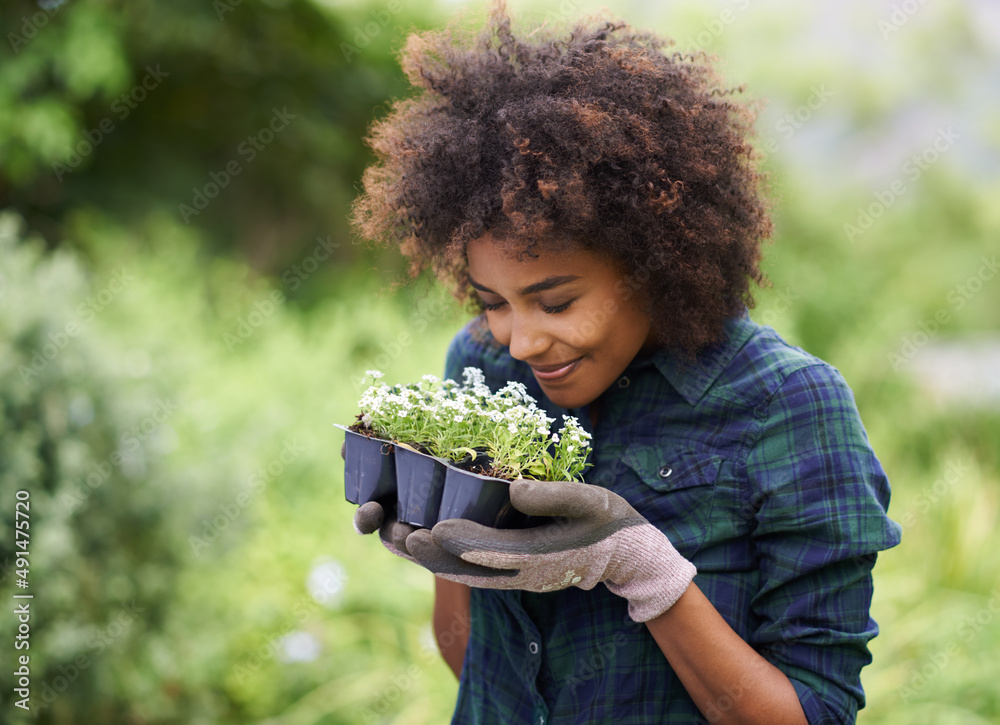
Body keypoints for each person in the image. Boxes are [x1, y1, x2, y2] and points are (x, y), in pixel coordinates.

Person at [348, 3, 902, 723]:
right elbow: (471, 661)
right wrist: (441, 540)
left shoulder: (790, 406)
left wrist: (642, 566)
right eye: (493, 300)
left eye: (555, 301)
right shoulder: (485, 368)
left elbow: (815, 713)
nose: (520, 341)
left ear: (652, 261)